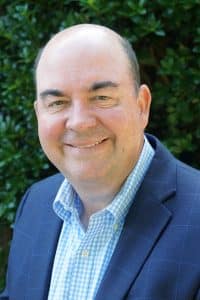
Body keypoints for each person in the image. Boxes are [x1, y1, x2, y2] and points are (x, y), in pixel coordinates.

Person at [0, 24, 200, 300]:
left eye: (102, 97)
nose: (80, 122)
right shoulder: (35, 203)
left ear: (141, 105)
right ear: (39, 114)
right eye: (57, 103)